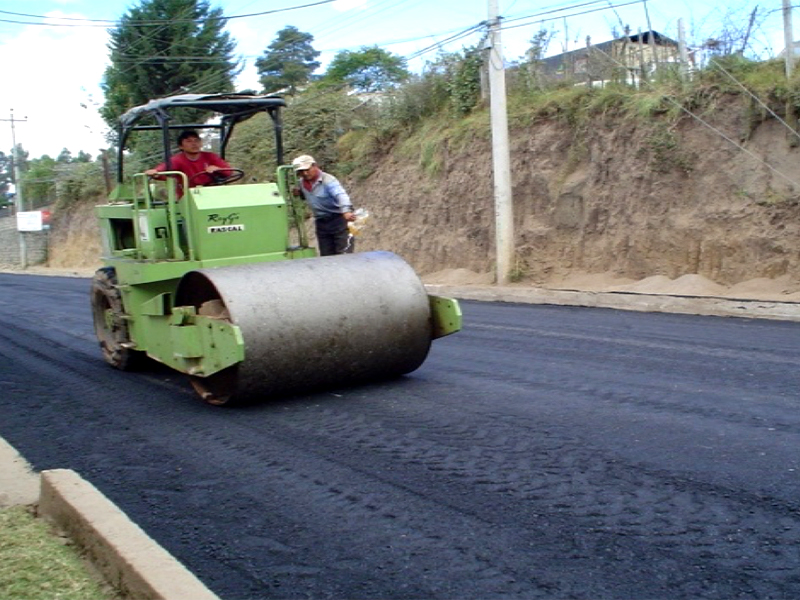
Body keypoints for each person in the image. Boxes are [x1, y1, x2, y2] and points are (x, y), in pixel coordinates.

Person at [292, 155, 356, 256]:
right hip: (321, 223)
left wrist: (346, 210)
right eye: (301, 171)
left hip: (339, 221)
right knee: (326, 256)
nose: (304, 173)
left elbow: (340, 194)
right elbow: (311, 196)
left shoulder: (328, 180)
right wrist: (300, 193)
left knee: (344, 254)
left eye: (307, 169)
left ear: (314, 166)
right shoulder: (302, 183)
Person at [145, 130, 232, 187]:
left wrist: (218, 169)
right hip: (188, 196)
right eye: (189, 141)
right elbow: (162, 170)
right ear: (181, 146)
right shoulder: (177, 160)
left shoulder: (211, 156)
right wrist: (155, 172)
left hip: (211, 193)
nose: (194, 144)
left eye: (196, 140)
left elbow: (229, 172)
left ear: (201, 143)